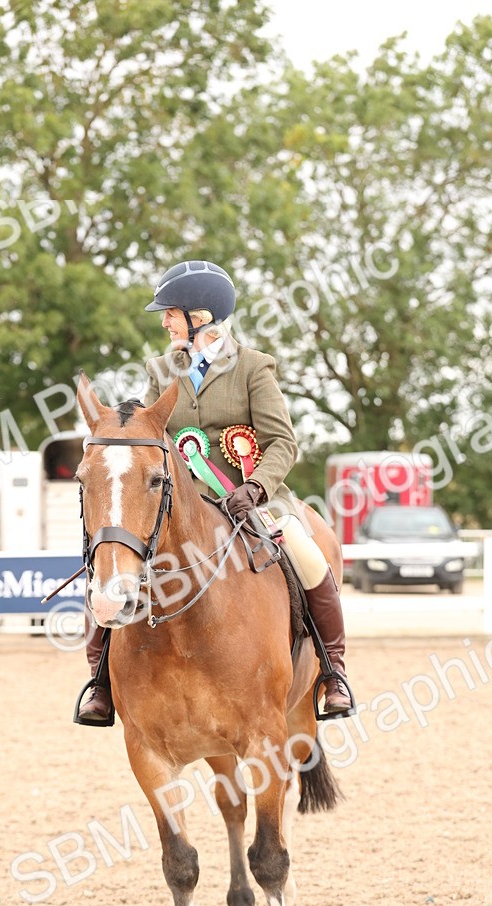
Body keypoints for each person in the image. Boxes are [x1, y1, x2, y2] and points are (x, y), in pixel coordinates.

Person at [77, 259, 353, 724]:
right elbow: (150, 435)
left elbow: (283, 442)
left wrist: (256, 487)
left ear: (199, 316)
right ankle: (100, 681)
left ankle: (333, 672)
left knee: (306, 553)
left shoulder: (253, 368)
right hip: (181, 500)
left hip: (252, 497)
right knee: (114, 555)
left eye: (170, 312)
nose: (164, 321)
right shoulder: (162, 370)